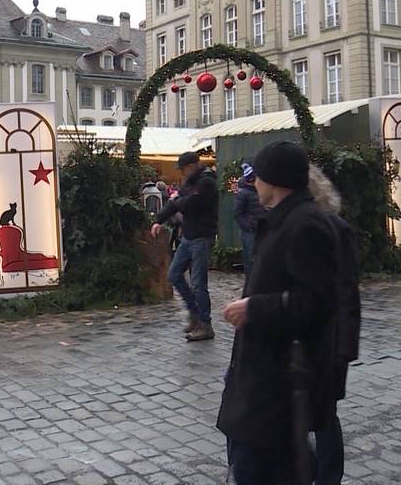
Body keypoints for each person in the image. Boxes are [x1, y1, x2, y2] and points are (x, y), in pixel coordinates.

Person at [217, 141, 361, 485]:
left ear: (276, 180)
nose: (254, 184)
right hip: (262, 376)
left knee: (264, 468)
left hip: (278, 383)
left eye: (259, 177)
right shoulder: (282, 221)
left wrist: (255, 308)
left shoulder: (306, 225)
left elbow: (317, 303)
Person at [151, 151, 219, 342]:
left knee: (198, 283)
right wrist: (159, 220)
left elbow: (189, 204)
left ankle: (205, 325)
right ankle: (195, 314)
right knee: (174, 274)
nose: (181, 173)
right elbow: (177, 203)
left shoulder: (206, 183)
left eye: (182, 169)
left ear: (191, 166)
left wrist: (178, 201)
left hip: (202, 237)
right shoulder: (190, 182)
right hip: (188, 236)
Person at [233, 162, 263, 275]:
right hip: (250, 231)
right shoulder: (243, 193)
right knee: (250, 259)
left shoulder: (258, 190)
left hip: (260, 228)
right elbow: (237, 213)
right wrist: (248, 226)